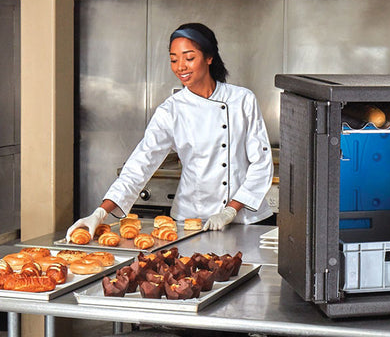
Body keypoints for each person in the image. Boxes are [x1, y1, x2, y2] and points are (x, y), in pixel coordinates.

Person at [67, 22, 273, 240]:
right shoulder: (171, 110)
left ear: (209, 57)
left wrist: (231, 209)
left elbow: (261, 161)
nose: (180, 67)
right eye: (174, 59)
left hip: (245, 219)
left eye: (189, 58)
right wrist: (100, 213)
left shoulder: (242, 99)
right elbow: (140, 164)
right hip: (193, 220)